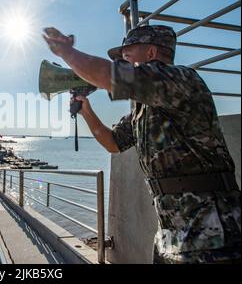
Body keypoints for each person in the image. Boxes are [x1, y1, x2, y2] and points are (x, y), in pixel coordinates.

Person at [42, 25, 241, 264]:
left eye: (126, 55)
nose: (121, 61)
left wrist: (68, 54)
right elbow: (113, 143)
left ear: (151, 53)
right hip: (171, 233)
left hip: (214, 230)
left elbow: (115, 78)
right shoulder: (144, 108)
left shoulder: (182, 80)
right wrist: (86, 111)